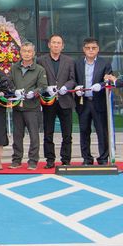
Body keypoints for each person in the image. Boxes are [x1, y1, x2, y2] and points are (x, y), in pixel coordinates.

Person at [37, 34, 76, 168]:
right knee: (48, 132)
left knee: (67, 133)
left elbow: (73, 79)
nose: (56, 45)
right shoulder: (41, 60)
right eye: (53, 42)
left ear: (62, 46)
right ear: (49, 45)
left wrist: (66, 87)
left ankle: (66, 159)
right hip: (49, 100)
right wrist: (46, 88)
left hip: (65, 100)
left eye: (58, 43)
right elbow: (39, 78)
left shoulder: (69, 61)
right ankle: (50, 160)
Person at [9, 42, 48, 170]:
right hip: (18, 108)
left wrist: (34, 93)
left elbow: (43, 86)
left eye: (29, 51)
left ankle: (33, 161)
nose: (26, 53)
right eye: (24, 51)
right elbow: (9, 83)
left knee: (34, 135)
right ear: (20, 53)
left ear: (33, 53)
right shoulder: (14, 68)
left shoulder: (39, 69)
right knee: (17, 135)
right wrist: (14, 90)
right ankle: (16, 160)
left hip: (32, 107)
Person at [75, 37, 112, 165]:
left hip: (98, 102)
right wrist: (76, 87)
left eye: (94, 48)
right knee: (84, 131)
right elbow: (74, 79)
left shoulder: (105, 63)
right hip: (83, 102)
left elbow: (108, 80)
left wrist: (101, 85)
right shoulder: (78, 63)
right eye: (88, 48)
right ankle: (87, 158)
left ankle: (103, 158)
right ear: (83, 49)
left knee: (101, 131)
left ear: (98, 49)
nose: (91, 50)